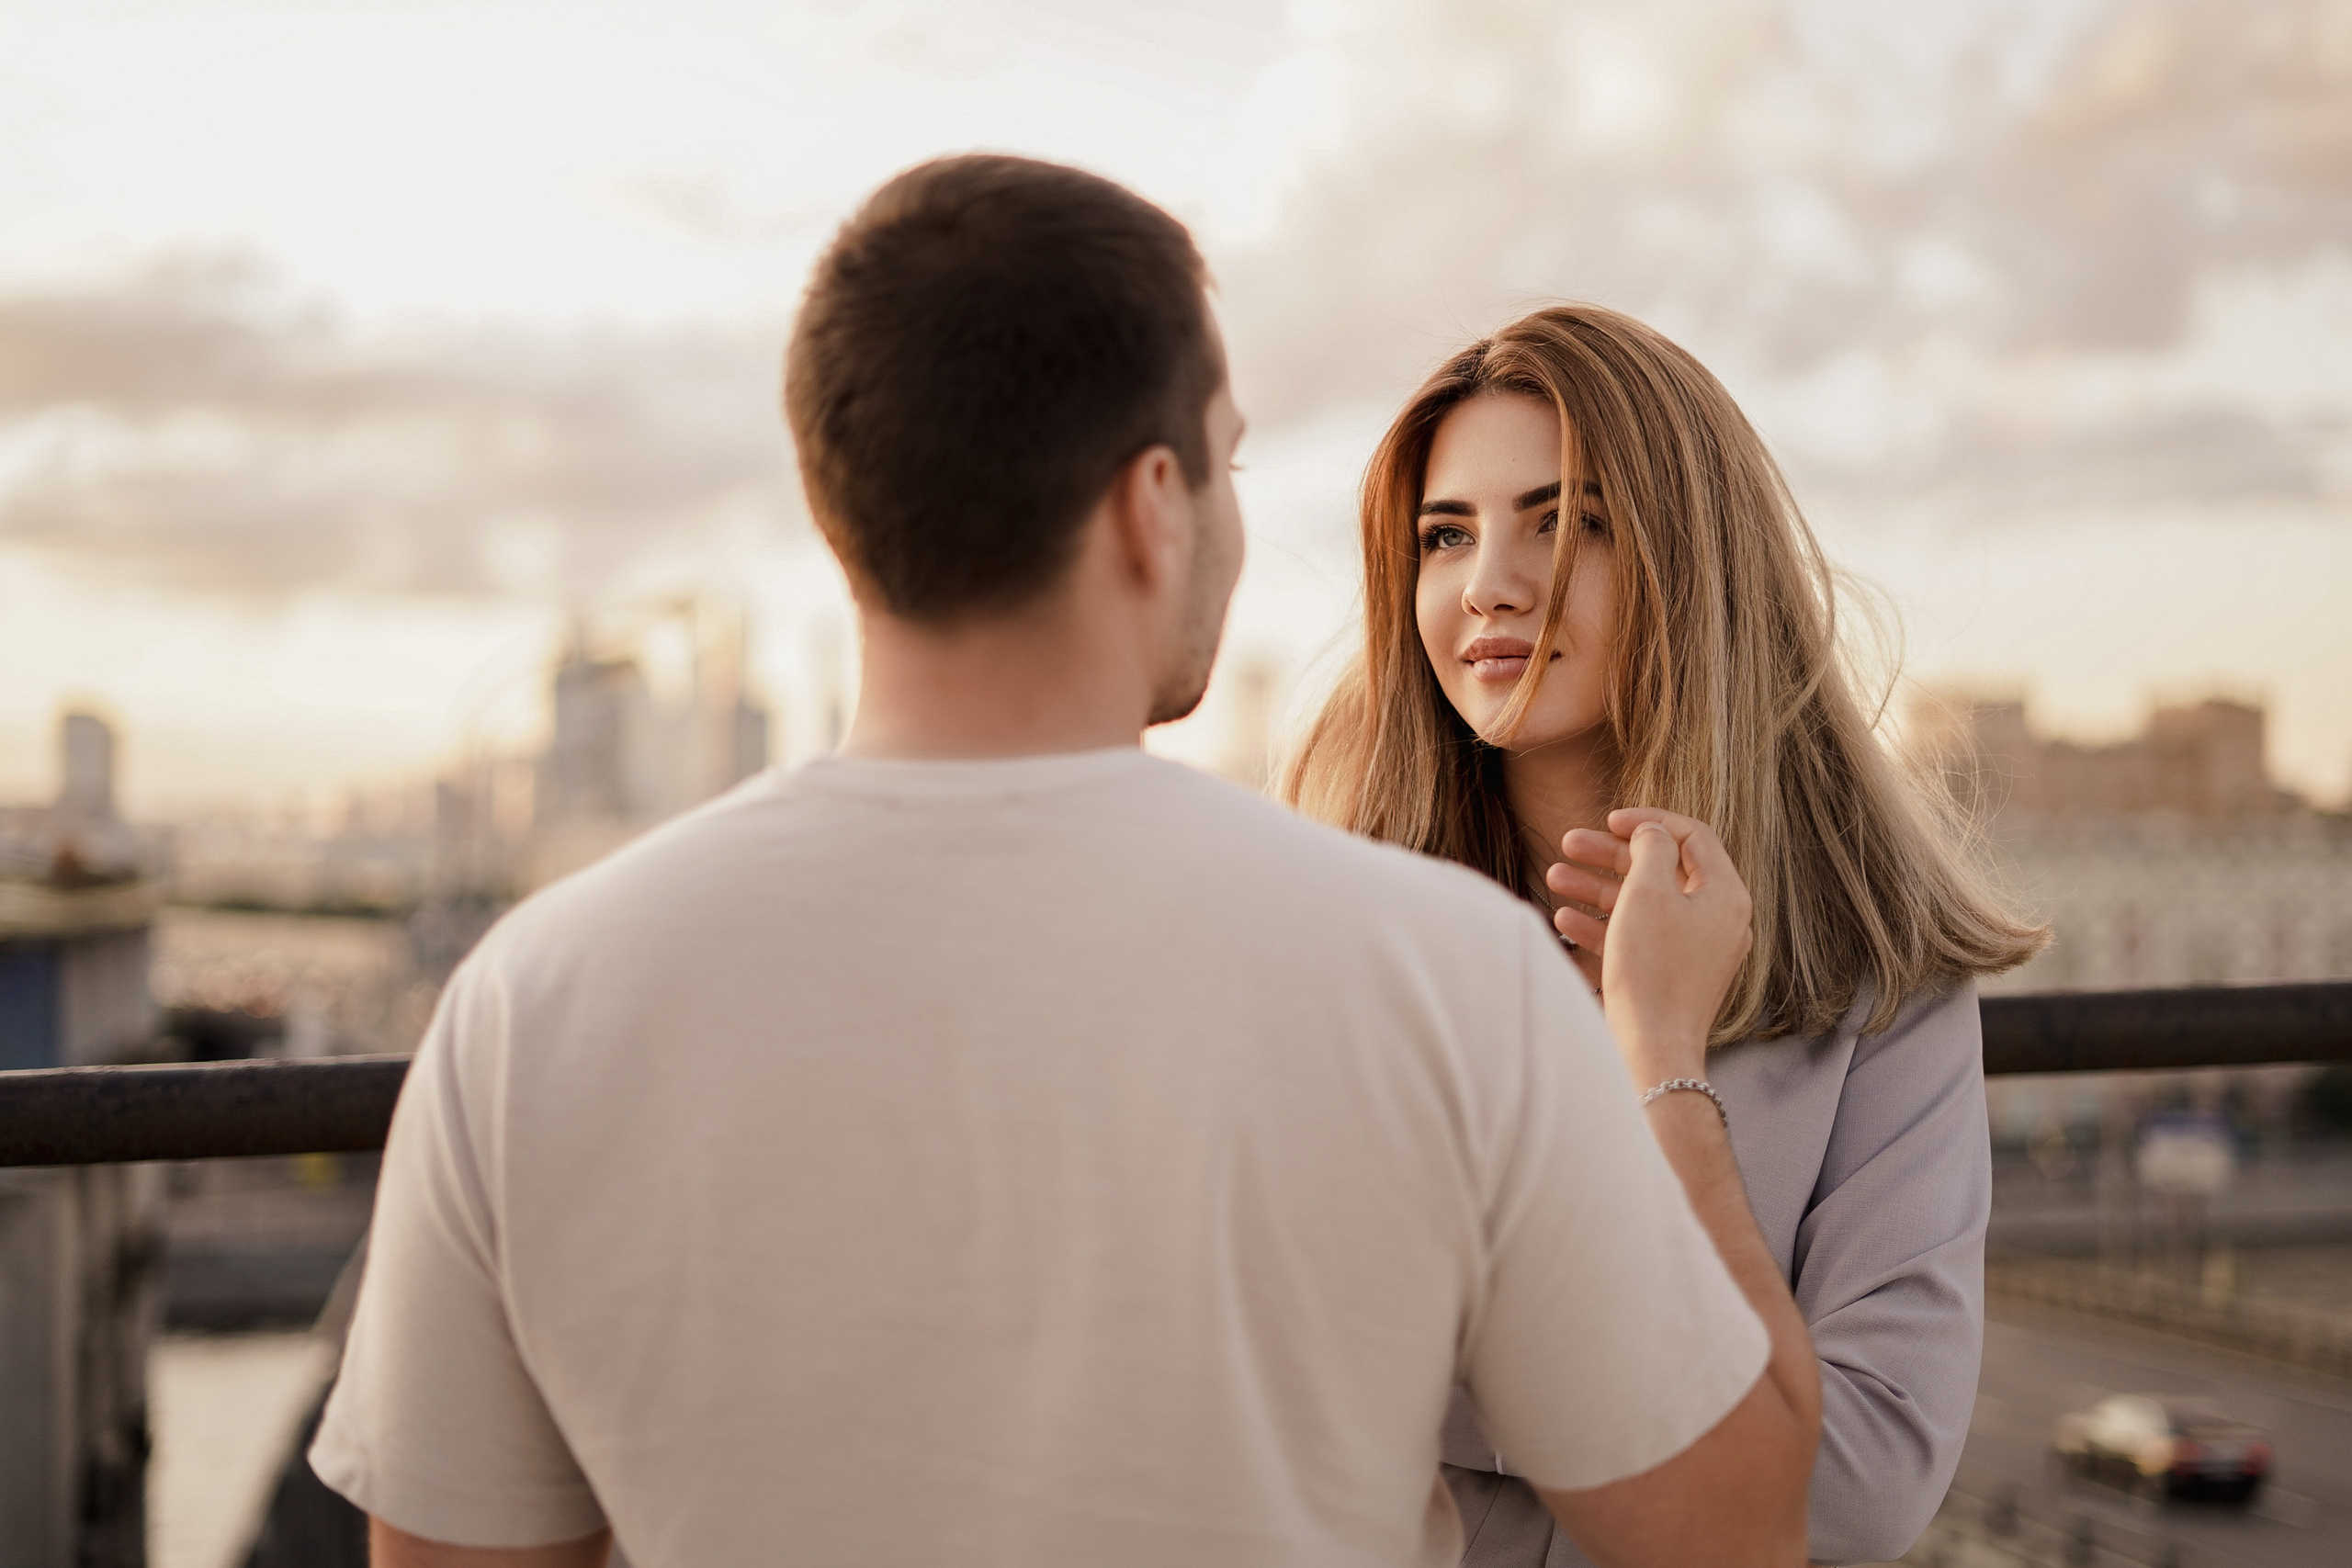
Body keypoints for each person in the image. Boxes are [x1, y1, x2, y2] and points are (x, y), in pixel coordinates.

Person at [309, 157, 1818, 1568]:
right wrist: (1668, 1066)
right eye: (1223, 470)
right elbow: (1735, 1526)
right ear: (1151, 508)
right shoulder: (1440, 975)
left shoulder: (531, 1004)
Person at [1283, 303, 2049, 1567]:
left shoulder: (1884, 982)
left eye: (1567, 520)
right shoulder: (1338, 930)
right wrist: (1692, 1432)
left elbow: (1857, 1487)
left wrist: (1665, 1069)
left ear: (1698, 563)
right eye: (1446, 534)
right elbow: (1293, 1397)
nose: (1490, 584)